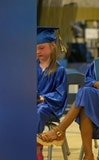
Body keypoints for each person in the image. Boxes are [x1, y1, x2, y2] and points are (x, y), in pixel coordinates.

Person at [36, 10, 99, 160]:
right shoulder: (98, 62)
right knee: (86, 104)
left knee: (86, 94)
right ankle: (88, 155)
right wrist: (97, 84)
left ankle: (59, 131)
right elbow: (88, 80)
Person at [36, 26, 68, 160]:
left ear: (53, 46)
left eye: (42, 48)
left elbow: (60, 94)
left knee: (38, 111)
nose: (38, 52)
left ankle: (37, 148)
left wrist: (42, 98)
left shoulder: (59, 70)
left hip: (50, 106)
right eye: (35, 48)